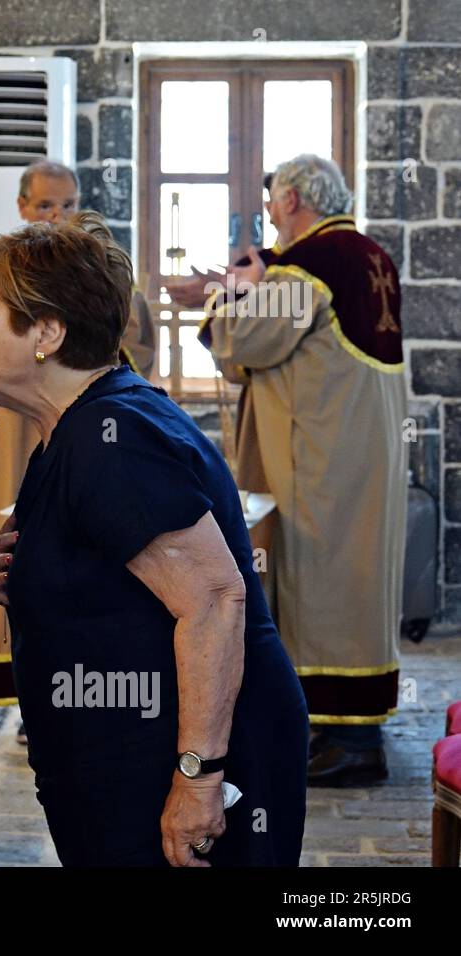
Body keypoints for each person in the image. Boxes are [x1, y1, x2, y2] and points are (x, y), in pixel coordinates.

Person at [0, 212, 308, 866]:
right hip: (123, 752)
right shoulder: (79, 426)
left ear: (46, 333)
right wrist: (2, 569)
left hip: (192, 756)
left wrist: (198, 777)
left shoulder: (110, 441)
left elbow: (212, 599)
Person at [194, 155, 407, 786]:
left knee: (325, 584)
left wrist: (219, 296)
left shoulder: (310, 265)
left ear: (289, 201)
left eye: (271, 206)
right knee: (356, 584)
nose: (270, 218)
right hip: (361, 448)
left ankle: (349, 742)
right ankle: (349, 730)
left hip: (323, 456)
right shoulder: (369, 253)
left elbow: (243, 343)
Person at [0, 160, 154, 734]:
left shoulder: (110, 282)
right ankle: (26, 682)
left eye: (68, 205)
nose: (58, 216)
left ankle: (75, 683)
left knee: (77, 552)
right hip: (14, 433)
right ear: (24, 208)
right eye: (46, 206)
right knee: (14, 541)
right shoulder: (0, 280)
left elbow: (132, 354)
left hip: (88, 428)